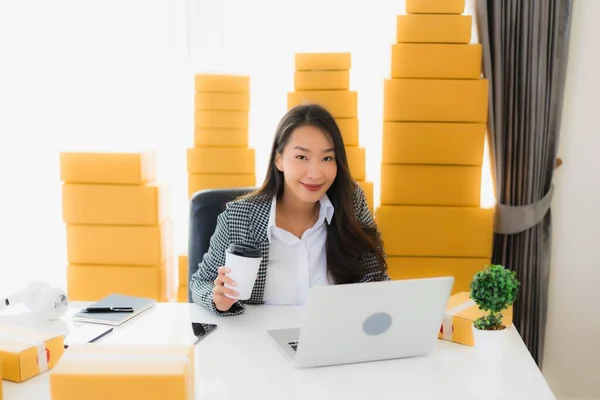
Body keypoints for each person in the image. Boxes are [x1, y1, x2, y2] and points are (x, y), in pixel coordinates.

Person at [189, 104, 389, 316]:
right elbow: (200, 282)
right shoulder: (240, 217)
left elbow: (375, 277)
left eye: (327, 158)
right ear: (279, 159)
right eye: (301, 157)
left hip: (333, 340)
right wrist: (217, 297)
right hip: (259, 343)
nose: (315, 173)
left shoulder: (351, 202)